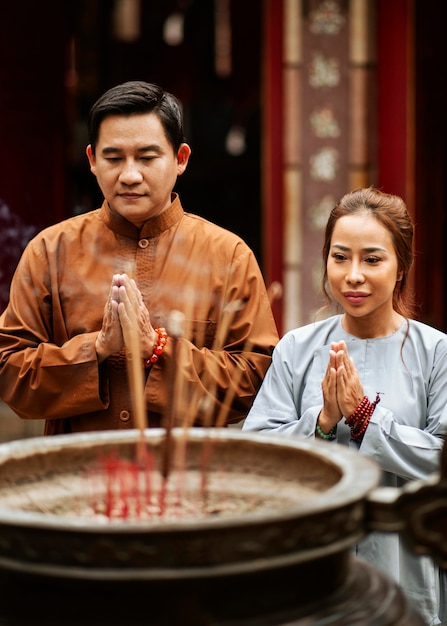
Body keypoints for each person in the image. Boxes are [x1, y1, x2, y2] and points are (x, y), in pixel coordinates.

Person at [0, 80, 279, 435]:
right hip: (77, 476)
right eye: (114, 158)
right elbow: (9, 372)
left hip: (187, 479)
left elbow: (256, 379)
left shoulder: (228, 256)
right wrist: (96, 349)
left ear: (180, 159)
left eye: (147, 158)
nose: (130, 175)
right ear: (92, 160)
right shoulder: (50, 251)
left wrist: (156, 348)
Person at [243, 187, 447, 624]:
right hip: (316, 558)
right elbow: (256, 457)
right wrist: (320, 422)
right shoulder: (296, 348)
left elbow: (442, 459)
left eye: (372, 259)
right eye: (340, 257)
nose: (353, 275)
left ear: (401, 267)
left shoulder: (436, 352)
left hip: (405, 561)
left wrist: (367, 419)